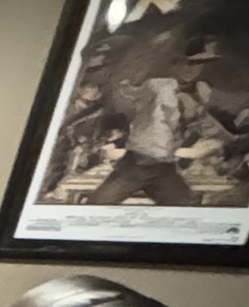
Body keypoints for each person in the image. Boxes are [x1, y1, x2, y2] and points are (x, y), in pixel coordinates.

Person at [90, 44, 222, 207]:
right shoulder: (156, 86)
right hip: (135, 165)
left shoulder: (202, 91)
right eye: (186, 63)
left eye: (198, 64)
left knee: (186, 207)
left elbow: (200, 120)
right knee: (97, 204)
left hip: (164, 169)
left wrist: (221, 139)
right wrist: (125, 85)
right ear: (175, 64)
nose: (191, 69)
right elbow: (130, 93)